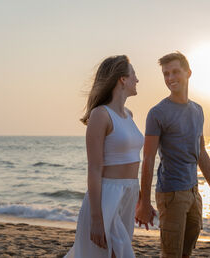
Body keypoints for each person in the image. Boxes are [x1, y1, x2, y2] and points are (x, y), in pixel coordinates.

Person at [135, 52, 210, 258]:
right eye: (166, 74)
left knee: (187, 253)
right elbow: (148, 159)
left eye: (175, 72)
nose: (170, 78)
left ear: (188, 73)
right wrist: (145, 203)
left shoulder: (198, 110)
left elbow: (201, 152)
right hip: (171, 194)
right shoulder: (157, 113)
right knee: (171, 254)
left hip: (194, 192)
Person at [65, 55, 144, 258]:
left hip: (129, 193)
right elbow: (94, 168)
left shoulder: (129, 114)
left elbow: (132, 157)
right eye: (134, 73)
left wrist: (140, 195)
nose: (137, 79)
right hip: (107, 196)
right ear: (122, 79)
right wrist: (96, 219)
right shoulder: (100, 115)